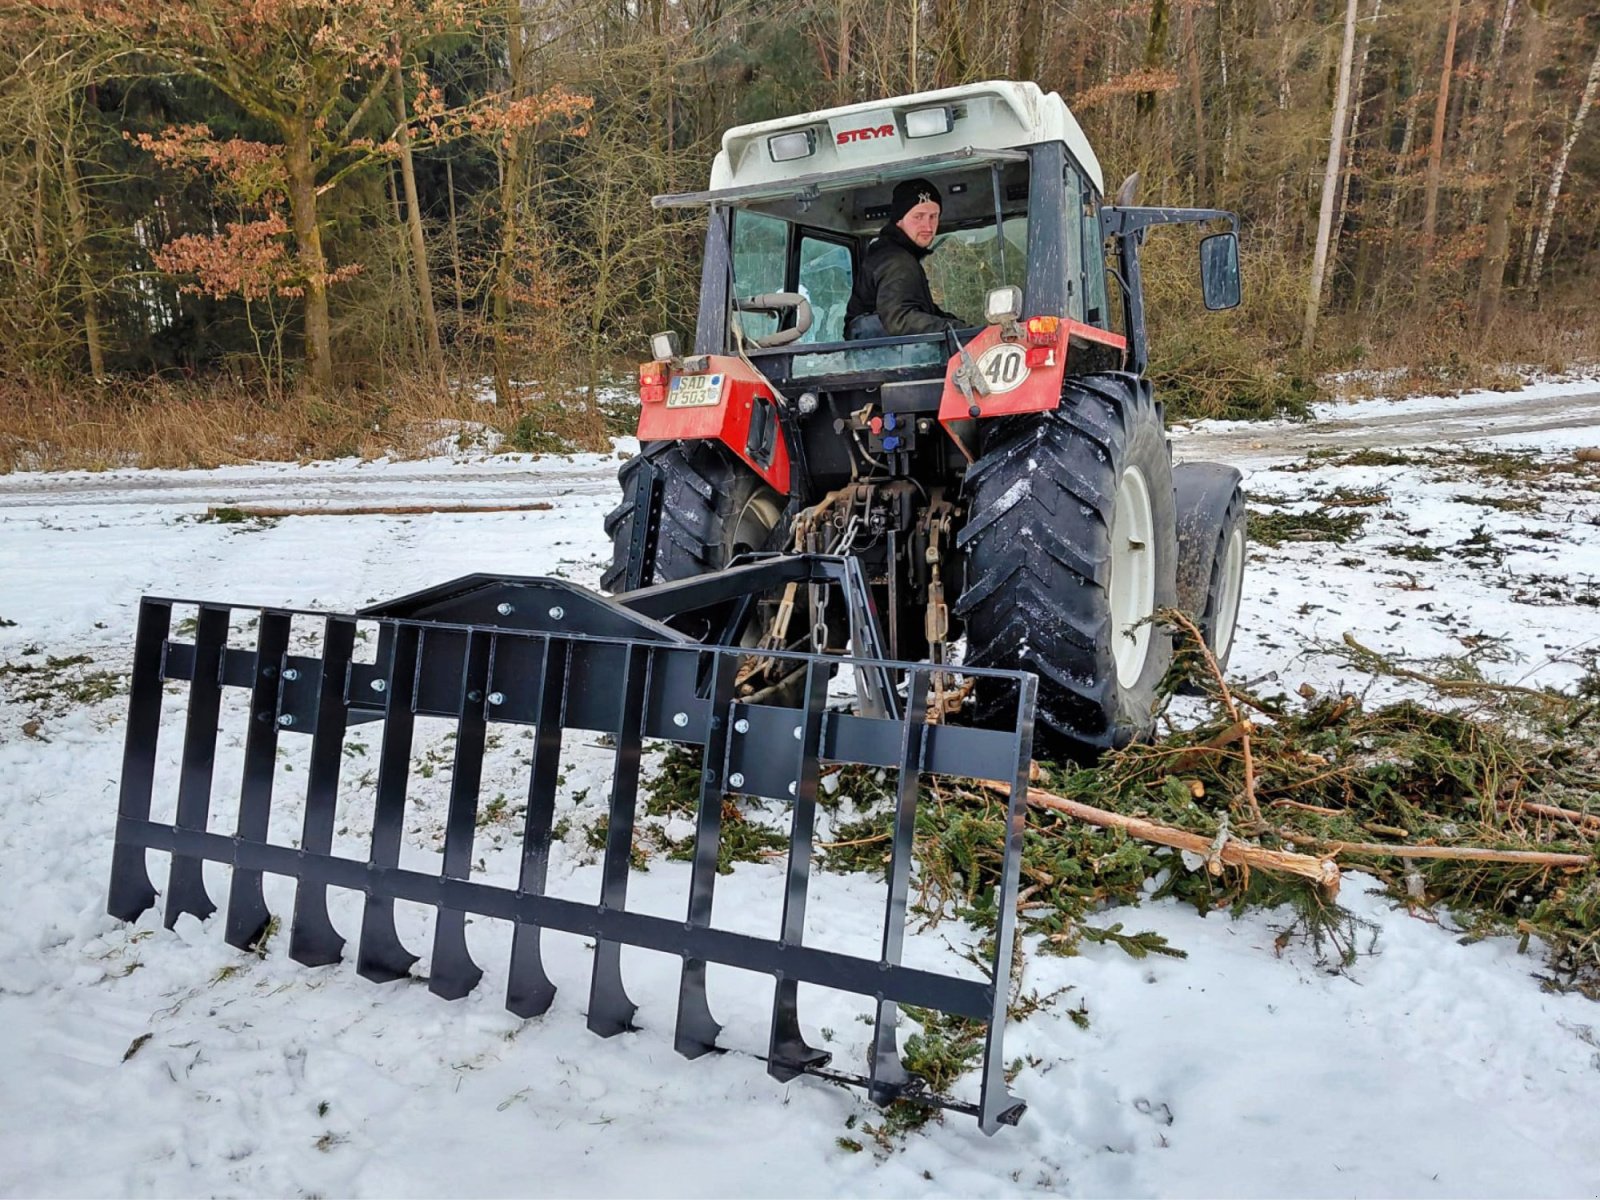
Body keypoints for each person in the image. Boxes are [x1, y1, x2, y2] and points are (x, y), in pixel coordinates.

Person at [843, 177, 966, 339]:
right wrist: (960, 332)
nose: (928, 227)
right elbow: (900, 320)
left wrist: (964, 328)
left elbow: (921, 312)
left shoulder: (892, 255)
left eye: (933, 216)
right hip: (885, 360)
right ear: (899, 220)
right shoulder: (896, 262)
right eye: (919, 216)